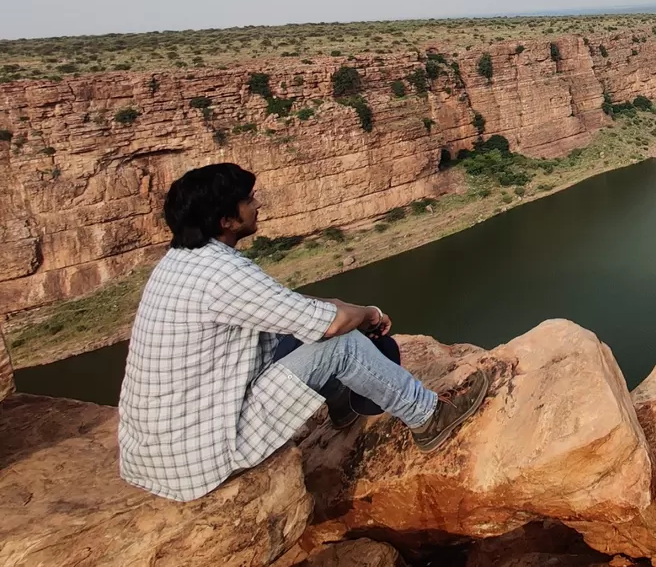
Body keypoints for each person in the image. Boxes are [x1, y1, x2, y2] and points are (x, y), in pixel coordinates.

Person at [117, 162, 488, 502]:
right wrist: (367, 314)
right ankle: (427, 417)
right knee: (341, 344)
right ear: (227, 220)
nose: (257, 204)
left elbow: (281, 307)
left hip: (159, 449)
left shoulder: (184, 260)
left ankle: (343, 404)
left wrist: (343, 306)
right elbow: (330, 325)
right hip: (199, 452)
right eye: (248, 200)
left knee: (293, 330)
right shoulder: (221, 273)